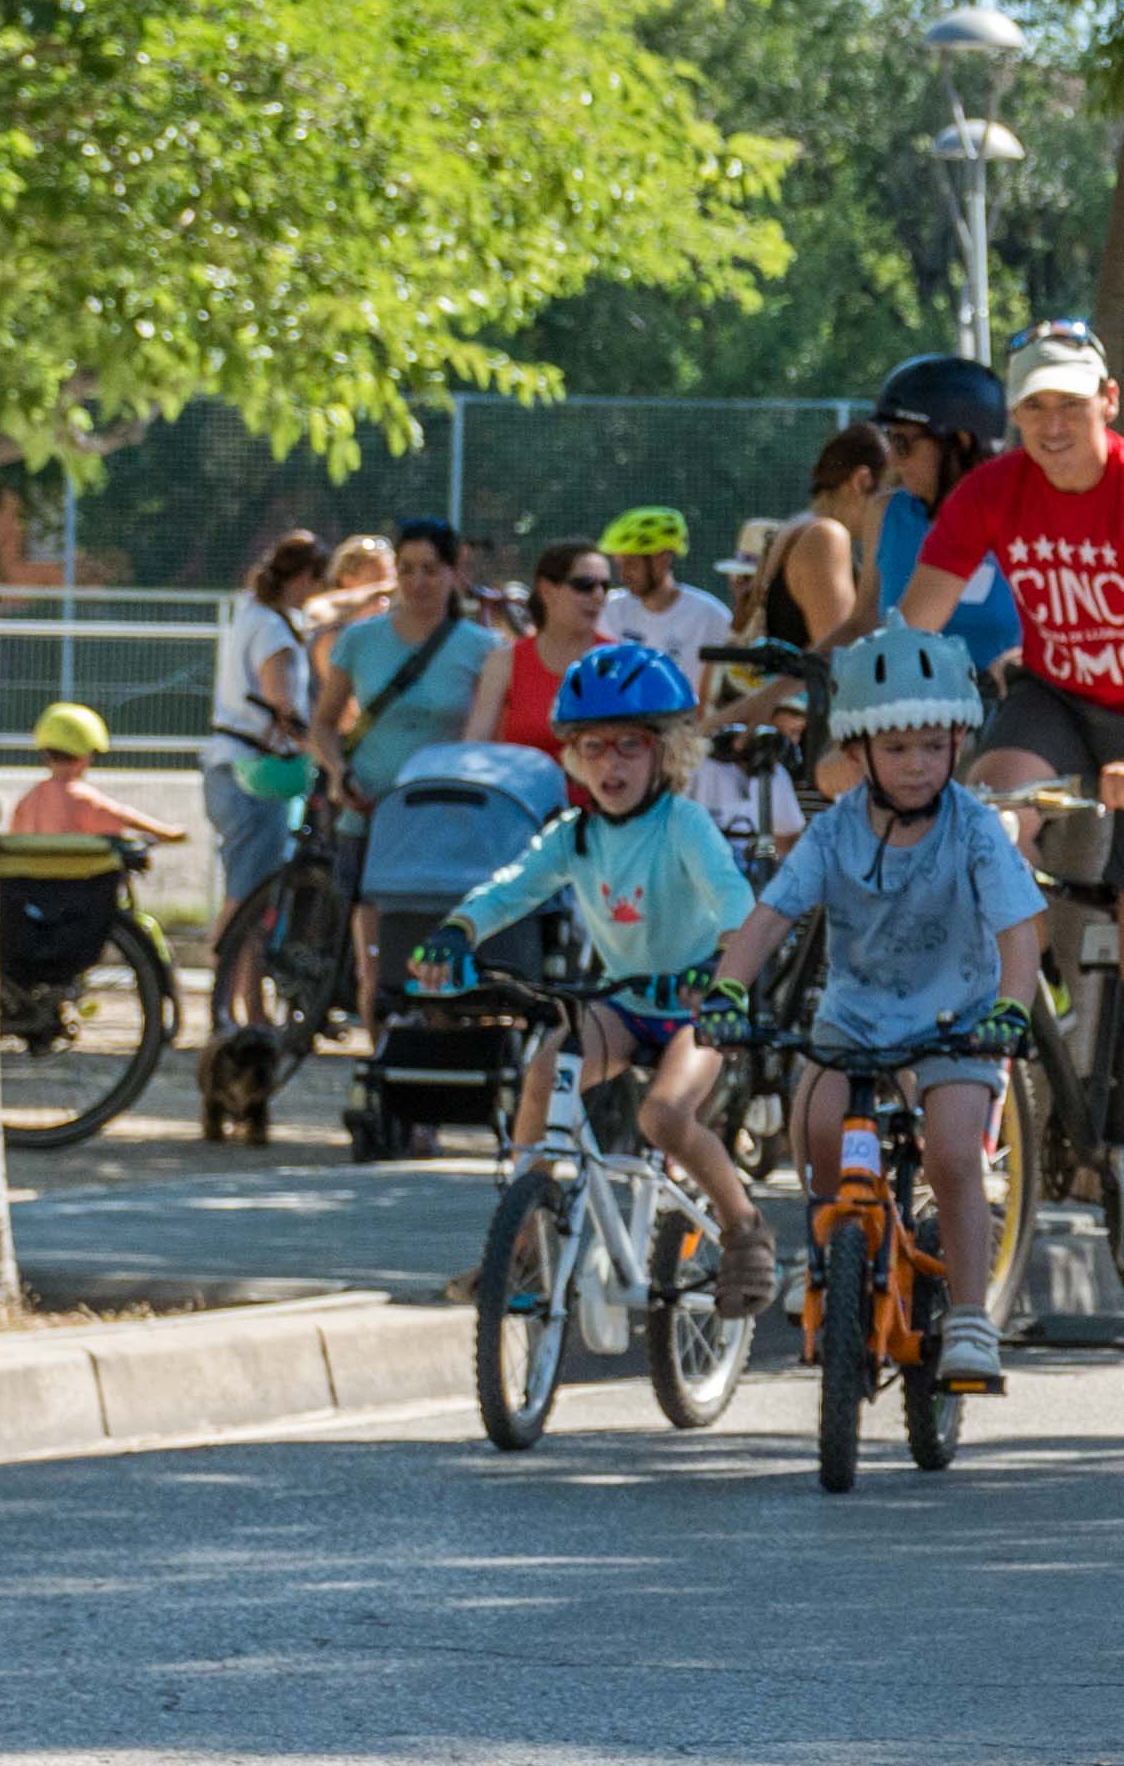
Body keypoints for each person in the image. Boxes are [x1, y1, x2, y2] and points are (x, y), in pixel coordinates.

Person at [899, 321, 1124, 1268]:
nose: (1051, 425)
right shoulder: (992, 491)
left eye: (1069, 403)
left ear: (1110, 401)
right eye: (1032, 407)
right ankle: (1023, 984)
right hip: (1052, 697)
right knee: (989, 819)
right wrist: (866, 724)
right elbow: (914, 622)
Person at [715, 622, 1048, 1400]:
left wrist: (1012, 1011)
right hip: (857, 1020)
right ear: (858, 753)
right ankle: (833, 1250)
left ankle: (969, 1317)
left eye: (935, 746)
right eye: (897, 750)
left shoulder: (971, 830)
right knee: (815, 1124)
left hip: (956, 1022)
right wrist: (729, 988)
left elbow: (1018, 938)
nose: (918, 764)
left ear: (957, 744)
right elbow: (769, 918)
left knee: (956, 1152)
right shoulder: (832, 833)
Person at [404, 643, 772, 1315]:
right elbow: (510, 888)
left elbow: (735, 904)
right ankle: (520, 1244)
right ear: (573, 754)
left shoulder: (682, 824)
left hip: (698, 1008)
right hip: (624, 1005)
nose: (611, 763)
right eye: (593, 747)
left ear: (669, 751)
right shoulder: (574, 835)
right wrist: (457, 931)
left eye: (630, 745)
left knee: (662, 1115)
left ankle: (745, 1226)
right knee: (545, 1076)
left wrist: (719, 971)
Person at [319, 521, 497, 812]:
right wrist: (339, 772)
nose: (417, 582)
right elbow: (323, 723)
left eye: (430, 570)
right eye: (406, 569)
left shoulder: (484, 648)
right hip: (368, 811)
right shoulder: (358, 638)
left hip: (444, 815)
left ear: (453, 572)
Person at [870, 354, 1024, 676]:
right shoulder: (887, 513)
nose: (894, 463)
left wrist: (1024, 663)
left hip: (1009, 714)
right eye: (889, 441)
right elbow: (863, 623)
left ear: (961, 442)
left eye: (903, 443)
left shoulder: (1029, 519)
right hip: (905, 715)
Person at [202, 529, 331, 901]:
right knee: (250, 899)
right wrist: (320, 748)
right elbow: (282, 704)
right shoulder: (273, 629)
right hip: (253, 775)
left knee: (242, 891)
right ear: (307, 577)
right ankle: (231, 960)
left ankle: (229, 957)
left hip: (224, 766)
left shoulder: (251, 611)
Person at [463, 542, 623, 754]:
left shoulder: (621, 662)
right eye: (584, 585)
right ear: (547, 590)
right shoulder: (505, 662)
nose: (598, 596)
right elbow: (474, 745)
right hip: (521, 786)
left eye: (605, 586)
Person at [753, 427, 889, 655]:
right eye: (893, 489)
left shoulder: (796, 526)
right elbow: (842, 659)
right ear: (862, 481)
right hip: (802, 690)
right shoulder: (826, 537)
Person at [596, 505, 733, 697]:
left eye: (631, 564)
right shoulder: (609, 609)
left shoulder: (710, 616)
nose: (623, 575)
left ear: (662, 560)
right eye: (620, 564)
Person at [7, 702, 186, 847]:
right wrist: (166, 831)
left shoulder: (27, 802)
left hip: (30, 888)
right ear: (86, 755)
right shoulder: (83, 798)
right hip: (80, 887)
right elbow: (122, 816)